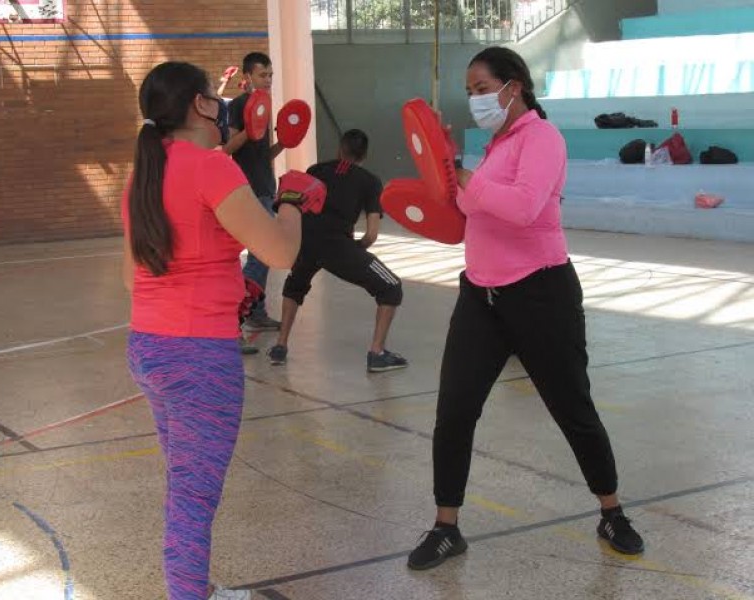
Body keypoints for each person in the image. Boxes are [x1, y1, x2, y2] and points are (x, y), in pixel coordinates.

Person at [408, 47, 644, 571]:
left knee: (573, 409)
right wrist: (444, 167)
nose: (475, 99)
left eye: (482, 88)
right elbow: (469, 213)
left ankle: (612, 510)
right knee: (454, 412)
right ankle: (447, 526)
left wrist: (466, 180)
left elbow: (521, 207)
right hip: (481, 294)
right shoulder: (496, 145)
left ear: (513, 87)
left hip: (541, 294)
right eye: (469, 91)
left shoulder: (543, 138)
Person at [122, 61, 308, 600]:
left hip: (149, 347)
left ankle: (193, 588)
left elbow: (128, 276)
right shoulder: (211, 168)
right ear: (203, 105)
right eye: (214, 96)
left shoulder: (143, 175)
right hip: (197, 356)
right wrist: (292, 202)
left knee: (186, 480)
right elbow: (280, 250)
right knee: (194, 494)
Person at [266, 129, 408, 373]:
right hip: (337, 246)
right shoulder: (370, 181)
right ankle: (377, 352)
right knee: (391, 287)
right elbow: (372, 234)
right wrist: (354, 251)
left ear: (339, 149)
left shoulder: (316, 170)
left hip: (306, 242)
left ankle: (280, 346)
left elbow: (297, 209)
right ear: (364, 155)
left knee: (295, 286)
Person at [224, 52, 284, 345]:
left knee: (264, 257)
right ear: (247, 77)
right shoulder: (238, 105)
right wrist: (250, 130)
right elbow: (229, 147)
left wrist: (284, 142)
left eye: (270, 75)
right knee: (261, 255)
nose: (268, 80)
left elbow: (264, 156)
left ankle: (255, 310)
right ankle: (237, 312)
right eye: (263, 75)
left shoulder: (265, 106)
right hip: (247, 190)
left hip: (265, 188)